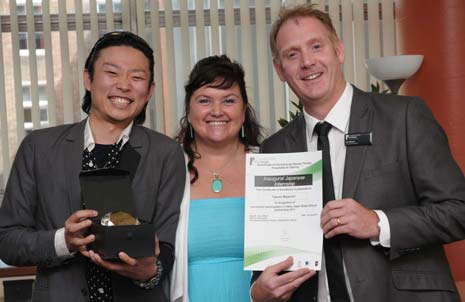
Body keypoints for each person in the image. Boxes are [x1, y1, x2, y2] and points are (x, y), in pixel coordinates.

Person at [250, 4, 465, 302]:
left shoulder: (404, 117)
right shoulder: (274, 149)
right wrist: (258, 290)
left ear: (338, 50)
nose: (307, 62)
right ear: (279, 69)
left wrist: (378, 222)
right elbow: (270, 252)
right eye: (292, 54)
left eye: (316, 46)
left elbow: (458, 210)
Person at [0, 31, 185, 302]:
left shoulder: (166, 153)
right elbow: (7, 239)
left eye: (137, 77)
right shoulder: (39, 148)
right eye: (112, 73)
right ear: (88, 79)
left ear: (150, 90)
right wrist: (64, 240)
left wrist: (149, 271)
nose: (124, 85)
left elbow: (168, 243)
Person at [170, 54, 263, 302]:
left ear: (244, 111)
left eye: (229, 100)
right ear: (189, 111)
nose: (217, 111)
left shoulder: (269, 165)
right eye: (204, 100)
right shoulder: (167, 170)